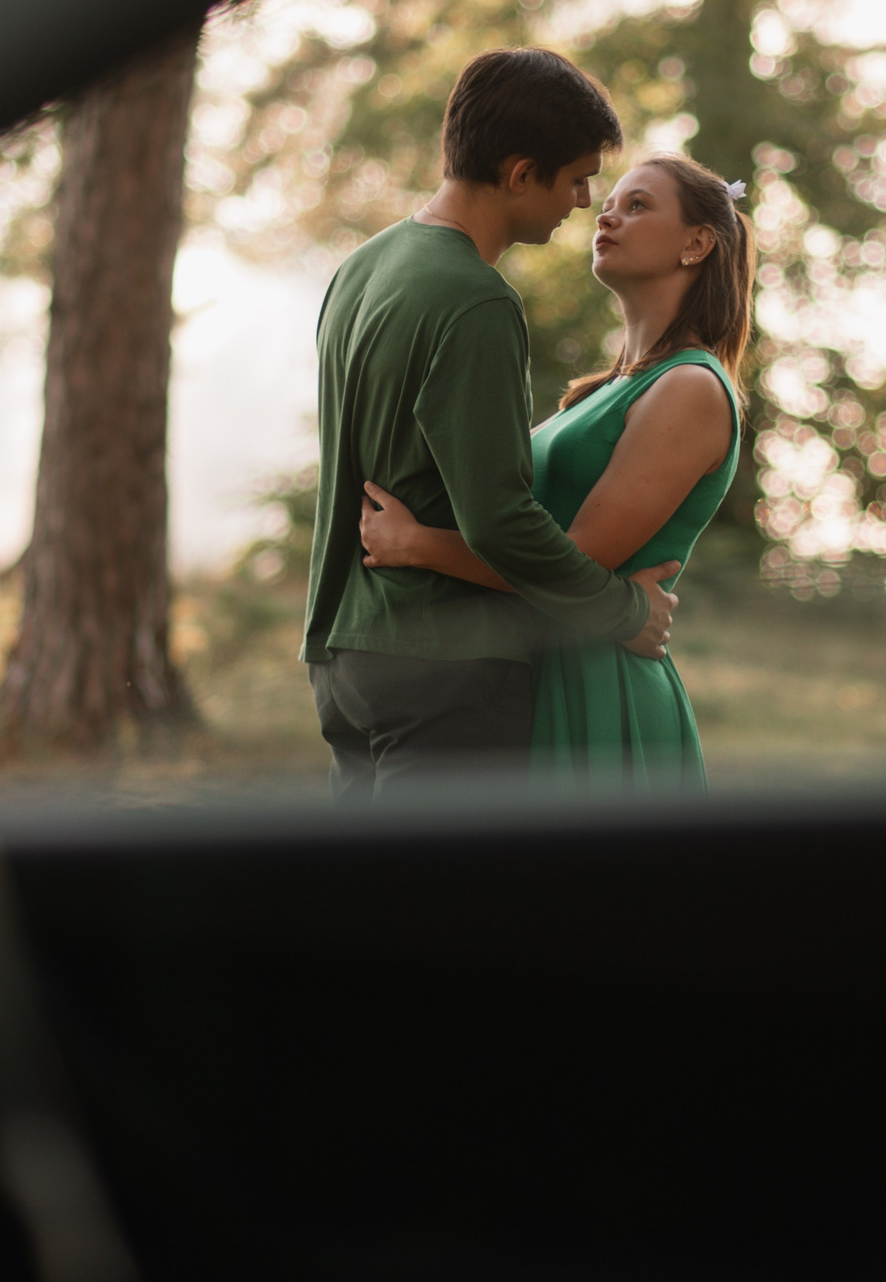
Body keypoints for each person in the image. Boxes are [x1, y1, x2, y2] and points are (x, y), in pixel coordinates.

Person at [301, 48, 679, 803]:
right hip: (443, 668)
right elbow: (501, 520)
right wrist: (621, 611)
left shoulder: (364, 267)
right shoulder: (475, 299)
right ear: (518, 173)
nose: (582, 203)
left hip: (344, 657)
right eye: (575, 180)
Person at [358, 152, 751, 793]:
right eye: (608, 204)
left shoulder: (690, 389)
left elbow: (571, 561)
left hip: (601, 690)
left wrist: (418, 545)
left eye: (638, 205)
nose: (607, 216)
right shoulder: (609, 388)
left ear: (697, 243)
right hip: (536, 672)